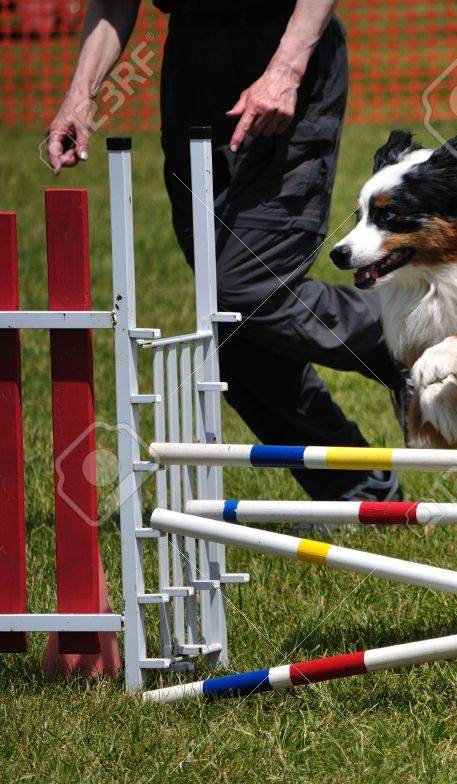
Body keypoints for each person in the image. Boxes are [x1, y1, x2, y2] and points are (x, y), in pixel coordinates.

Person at [46, 0, 409, 502]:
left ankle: (408, 339)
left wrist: (285, 69)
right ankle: (358, 485)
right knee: (228, 325)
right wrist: (79, 94)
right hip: (195, 64)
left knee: (242, 286)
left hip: (287, 47)